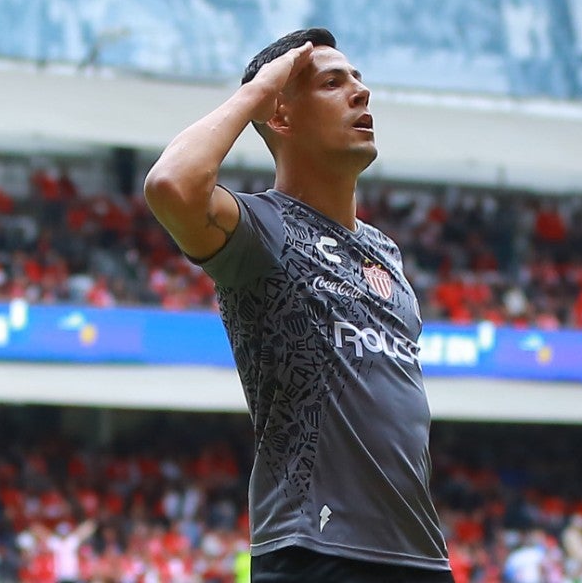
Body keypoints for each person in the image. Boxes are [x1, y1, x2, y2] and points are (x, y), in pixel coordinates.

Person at [144, 28, 453, 582]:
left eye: (358, 79)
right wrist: (256, 92)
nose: (361, 92)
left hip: (419, 554)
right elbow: (171, 184)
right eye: (334, 83)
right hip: (316, 550)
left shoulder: (386, 251)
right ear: (280, 116)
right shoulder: (261, 229)